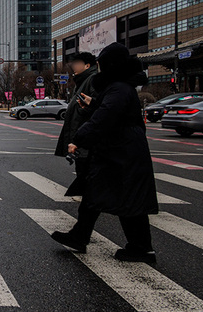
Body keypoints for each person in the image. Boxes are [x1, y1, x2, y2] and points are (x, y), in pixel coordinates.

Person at [51, 43, 159, 263]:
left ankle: (140, 248)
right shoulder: (119, 88)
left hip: (122, 154)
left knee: (126, 200)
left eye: (101, 64)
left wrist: (78, 139)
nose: (99, 69)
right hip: (119, 152)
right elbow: (109, 112)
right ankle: (80, 236)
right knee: (97, 193)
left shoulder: (119, 88)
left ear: (110, 65)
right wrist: (95, 104)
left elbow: (106, 118)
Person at [54, 52, 98, 196]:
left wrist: (87, 107)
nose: (73, 66)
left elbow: (97, 107)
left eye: (77, 63)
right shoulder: (81, 82)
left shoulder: (92, 80)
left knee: (87, 174)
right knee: (84, 173)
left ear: (87, 65)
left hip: (86, 137)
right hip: (81, 135)